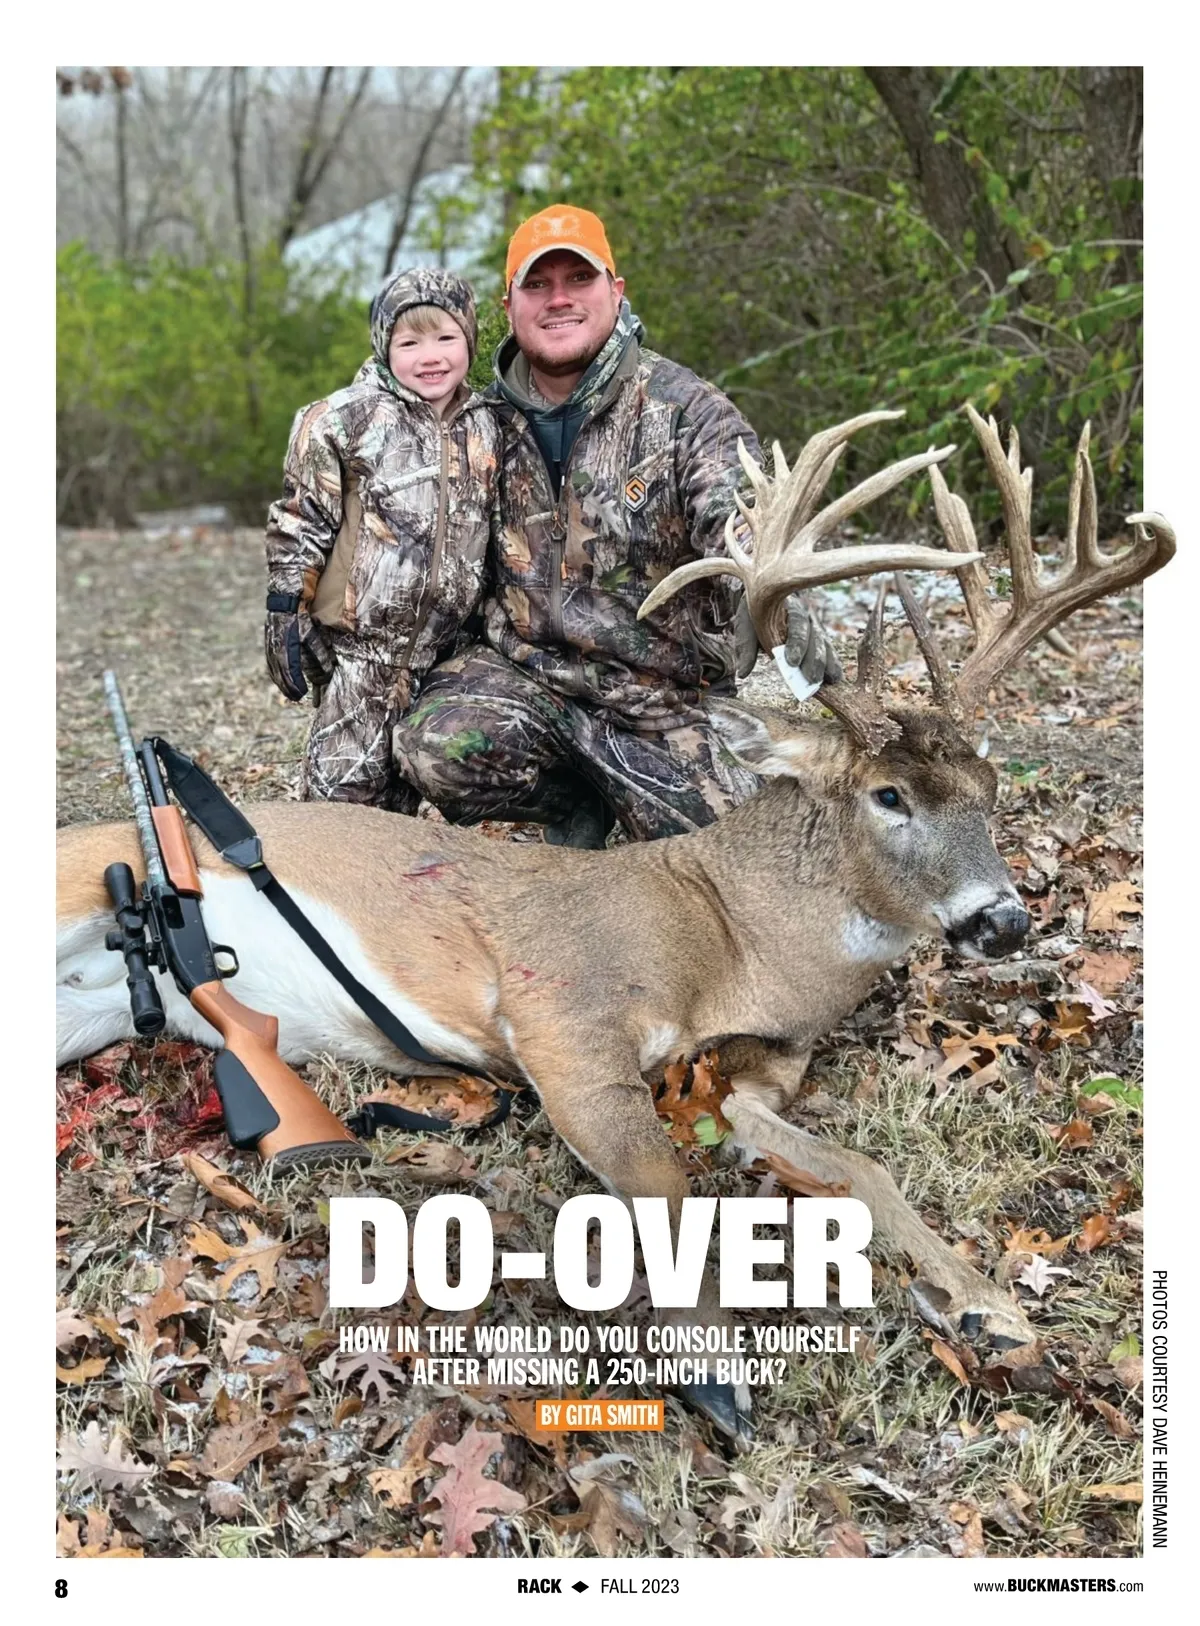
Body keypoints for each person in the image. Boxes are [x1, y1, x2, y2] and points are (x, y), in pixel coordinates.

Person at [391, 206, 838, 846]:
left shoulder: (688, 411)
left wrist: (768, 583)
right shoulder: (475, 424)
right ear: (509, 306)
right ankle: (574, 805)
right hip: (527, 682)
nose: (559, 299)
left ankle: (630, 794)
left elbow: (737, 518)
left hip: (663, 700)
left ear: (616, 290)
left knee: (726, 847)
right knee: (433, 747)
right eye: (538, 284)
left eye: (580, 278)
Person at [263, 267, 501, 811]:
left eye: (446, 337)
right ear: (383, 344)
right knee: (339, 806)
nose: (430, 356)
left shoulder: (490, 424)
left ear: (470, 340)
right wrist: (286, 609)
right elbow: (299, 519)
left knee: (404, 807)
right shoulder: (344, 419)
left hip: (446, 654)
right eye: (409, 342)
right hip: (361, 654)